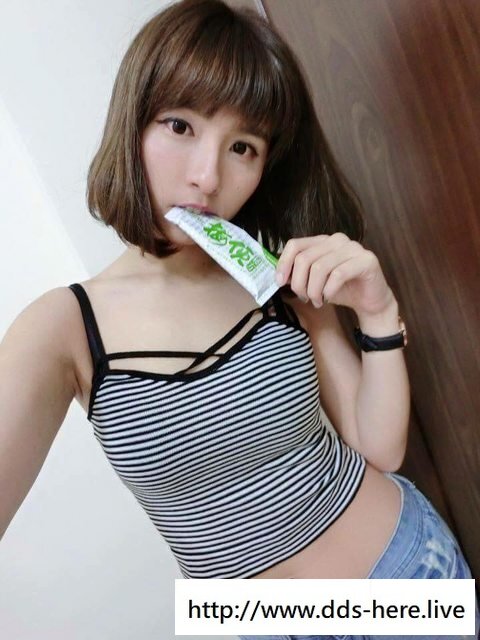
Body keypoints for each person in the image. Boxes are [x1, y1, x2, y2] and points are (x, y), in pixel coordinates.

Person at [0, 1, 478, 638]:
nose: (206, 177)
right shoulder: (64, 327)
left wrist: (377, 310)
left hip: (410, 575)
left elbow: (379, 447)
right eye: (179, 125)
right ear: (132, 122)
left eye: (242, 147)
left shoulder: (271, 274)